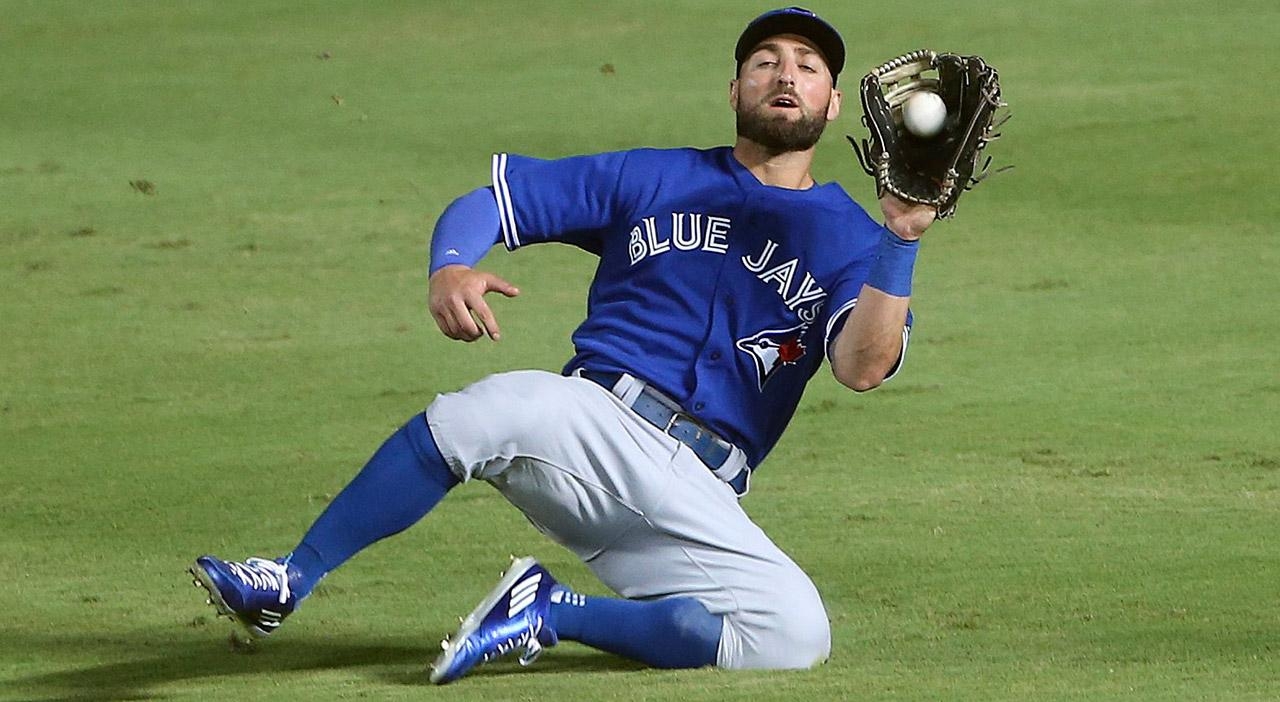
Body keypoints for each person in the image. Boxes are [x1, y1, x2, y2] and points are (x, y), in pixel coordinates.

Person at [190, 6, 937, 684]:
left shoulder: (853, 239)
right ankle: (288, 579)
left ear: (833, 104)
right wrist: (450, 265)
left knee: (792, 632)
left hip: (702, 493)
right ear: (735, 89)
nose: (786, 75)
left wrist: (899, 241)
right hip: (591, 427)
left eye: (809, 66)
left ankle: (549, 611)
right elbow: (495, 202)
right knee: (485, 412)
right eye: (766, 60)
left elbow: (863, 366)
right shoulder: (652, 175)